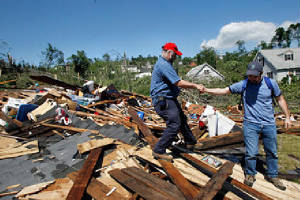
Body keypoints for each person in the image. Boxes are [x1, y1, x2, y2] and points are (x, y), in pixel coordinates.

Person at [201, 61, 291, 190]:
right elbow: (224, 90)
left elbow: (280, 99)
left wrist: (287, 117)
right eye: (249, 75)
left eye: (254, 76)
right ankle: (250, 174)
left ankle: (273, 175)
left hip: (269, 124)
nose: (251, 78)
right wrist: (206, 90)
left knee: (272, 152)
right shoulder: (244, 84)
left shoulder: (271, 84)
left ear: (261, 74)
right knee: (251, 152)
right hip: (251, 124)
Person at [150, 42, 203, 161]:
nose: (176, 57)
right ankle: (159, 150)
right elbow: (178, 82)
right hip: (163, 99)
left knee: (182, 119)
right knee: (174, 124)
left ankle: (190, 142)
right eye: (175, 55)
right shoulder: (164, 65)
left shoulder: (165, 63)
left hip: (169, 98)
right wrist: (195, 85)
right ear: (170, 53)